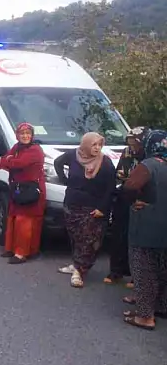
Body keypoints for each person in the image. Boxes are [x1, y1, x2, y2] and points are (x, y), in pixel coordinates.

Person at [54, 132, 116, 288]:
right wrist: (65, 180)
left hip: (93, 208)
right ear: (86, 144)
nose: (97, 148)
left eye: (100, 145)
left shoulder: (105, 162)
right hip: (72, 204)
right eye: (94, 144)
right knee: (76, 237)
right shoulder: (73, 155)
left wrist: (103, 208)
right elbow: (57, 162)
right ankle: (77, 264)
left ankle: (79, 271)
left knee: (89, 240)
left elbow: (110, 188)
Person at [121, 130, 167, 331]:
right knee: (162, 270)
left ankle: (145, 316)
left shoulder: (149, 165)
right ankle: (161, 307)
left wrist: (136, 200)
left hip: (147, 226)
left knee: (144, 271)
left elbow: (130, 186)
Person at [107, 126, 148, 286]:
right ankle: (116, 271)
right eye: (130, 142)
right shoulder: (126, 152)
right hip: (124, 195)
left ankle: (135, 275)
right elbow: (120, 173)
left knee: (137, 237)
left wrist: (129, 177)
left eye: (135, 142)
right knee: (118, 233)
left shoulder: (150, 156)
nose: (132, 146)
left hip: (142, 198)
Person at [0, 122, 46, 264]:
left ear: (32, 135)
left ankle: (22, 252)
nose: (25, 136)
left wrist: (11, 159)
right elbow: (3, 161)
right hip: (18, 187)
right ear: (17, 135)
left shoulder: (35, 149)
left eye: (28, 133)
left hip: (31, 189)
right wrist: (10, 160)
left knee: (25, 221)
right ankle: (11, 248)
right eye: (22, 133)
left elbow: (18, 163)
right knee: (13, 217)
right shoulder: (17, 147)